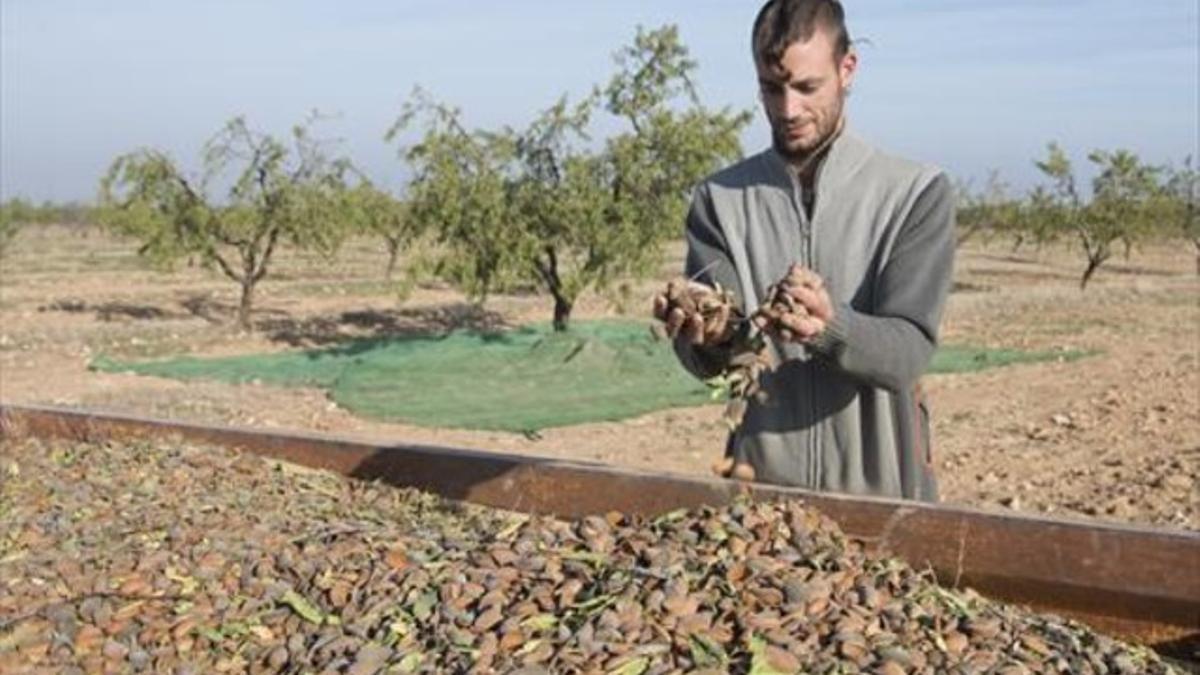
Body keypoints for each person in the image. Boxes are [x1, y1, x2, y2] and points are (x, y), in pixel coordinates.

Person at [653, 0, 955, 502]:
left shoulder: (915, 194)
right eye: (772, 89)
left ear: (848, 69)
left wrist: (828, 327)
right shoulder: (720, 200)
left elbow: (907, 351)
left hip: (885, 496)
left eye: (807, 87)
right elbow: (723, 361)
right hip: (761, 507)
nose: (787, 110)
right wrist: (706, 336)